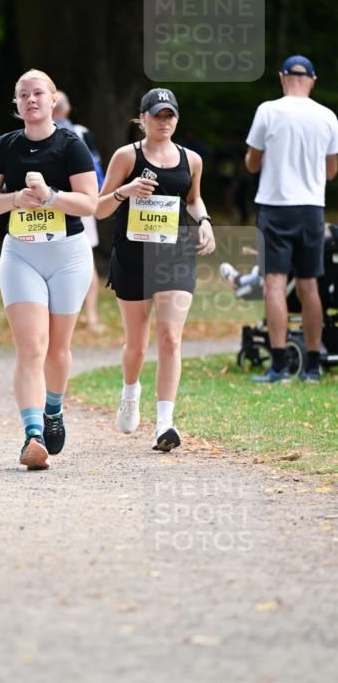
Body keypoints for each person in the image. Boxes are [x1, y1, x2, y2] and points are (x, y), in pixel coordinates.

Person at [0, 69, 98, 470]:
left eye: (38, 93)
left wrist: (50, 196)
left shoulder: (71, 145)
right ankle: (32, 435)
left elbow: (90, 203)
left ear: (52, 100)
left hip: (68, 256)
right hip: (21, 254)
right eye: (23, 94)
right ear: (16, 104)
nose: (31, 100)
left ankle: (53, 409)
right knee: (31, 348)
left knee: (58, 350)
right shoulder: (4, 147)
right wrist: (15, 200)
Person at [96, 88, 215, 452]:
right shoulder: (125, 156)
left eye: (170, 116)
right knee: (137, 344)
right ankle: (130, 393)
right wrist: (126, 191)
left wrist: (206, 221)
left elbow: (193, 199)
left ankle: (165, 422)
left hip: (176, 255)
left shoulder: (191, 159)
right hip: (133, 257)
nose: (164, 122)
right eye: (157, 115)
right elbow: (98, 208)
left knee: (170, 338)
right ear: (142, 118)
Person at [245, 54, 338, 383]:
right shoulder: (328, 116)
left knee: (274, 283)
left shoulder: (268, 111)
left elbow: (252, 163)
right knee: (310, 284)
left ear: (283, 77)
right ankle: (313, 364)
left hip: (275, 206)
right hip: (311, 208)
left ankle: (280, 364)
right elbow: (331, 171)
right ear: (312, 80)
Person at [53, 90, 105, 332]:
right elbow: (97, 169)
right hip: (82, 201)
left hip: (49, 203)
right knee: (86, 258)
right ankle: (91, 316)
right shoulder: (82, 133)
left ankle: (58, 318)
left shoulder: (37, 133)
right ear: (68, 109)